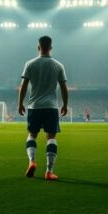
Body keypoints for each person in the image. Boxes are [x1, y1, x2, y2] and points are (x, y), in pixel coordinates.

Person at [17, 35, 68, 181]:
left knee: (32, 135)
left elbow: (24, 86)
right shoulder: (58, 65)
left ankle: (32, 161)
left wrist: (20, 103)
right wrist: (65, 104)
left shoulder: (30, 64)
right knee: (51, 137)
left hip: (34, 106)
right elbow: (63, 87)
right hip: (51, 107)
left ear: (38, 47)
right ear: (51, 48)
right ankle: (49, 172)